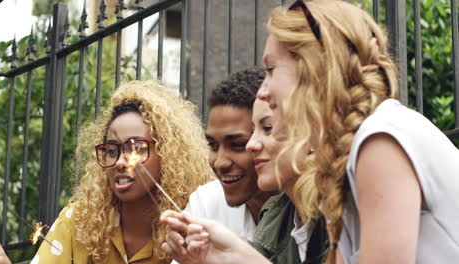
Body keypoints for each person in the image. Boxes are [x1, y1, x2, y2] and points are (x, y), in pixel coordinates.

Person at [258, 0, 459, 263]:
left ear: (314, 66)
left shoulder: (381, 142)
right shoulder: (355, 153)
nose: (263, 91)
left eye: (271, 69)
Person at [31, 80, 212, 264]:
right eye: (111, 151)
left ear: (168, 153)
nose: (120, 162)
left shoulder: (190, 226)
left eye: (136, 148)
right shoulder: (79, 220)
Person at [161, 68, 276, 263]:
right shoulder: (206, 202)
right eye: (213, 145)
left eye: (237, 145)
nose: (220, 162)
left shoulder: (303, 213)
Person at [246, 99, 327, 263]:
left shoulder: (343, 211)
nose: (250, 144)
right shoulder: (275, 219)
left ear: (313, 134)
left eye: (267, 128)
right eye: (253, 131)